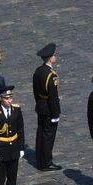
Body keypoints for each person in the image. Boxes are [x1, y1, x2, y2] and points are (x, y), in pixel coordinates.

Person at [31, 43, 62, 171]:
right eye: (54, 55)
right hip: (49, 109)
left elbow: (35, 91)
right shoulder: (51, 75)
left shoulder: (38, 71)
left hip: (40, 106)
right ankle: (46, 162)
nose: (55, 56)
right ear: (50, 58)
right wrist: (56, 114)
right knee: (48, 137)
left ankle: (40, 159)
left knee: (41, 134)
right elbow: (53, 96)